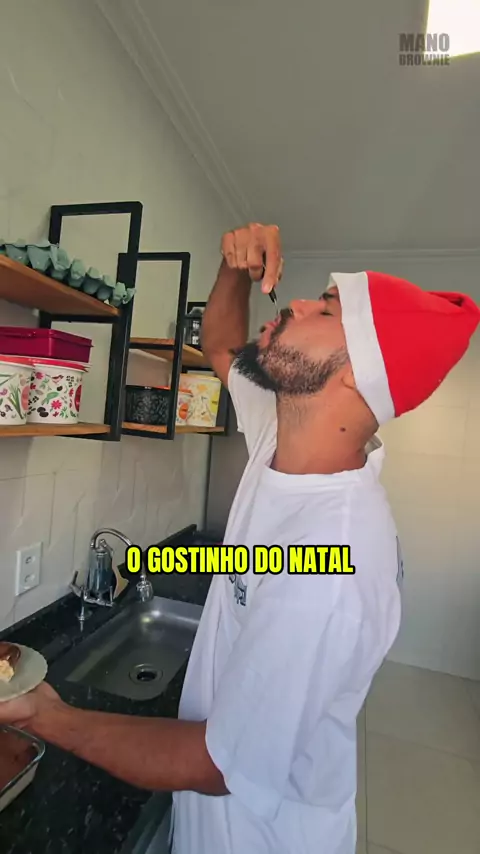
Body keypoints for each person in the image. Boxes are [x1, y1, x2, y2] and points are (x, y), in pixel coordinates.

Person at [0, 223, 478, 854]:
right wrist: (232, 266)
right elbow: (224, 343)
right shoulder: (286, 435)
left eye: (326, 309)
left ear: (357, 375)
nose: (298, 302)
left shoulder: (335, 568)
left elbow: (217, 763)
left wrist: (47, 715)